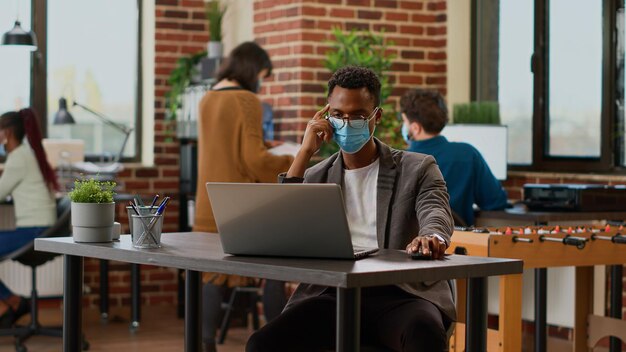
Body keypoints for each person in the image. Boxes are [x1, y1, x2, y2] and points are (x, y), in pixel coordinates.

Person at [246, 66, 455, 352]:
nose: (346, 123)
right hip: (333, 294)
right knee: (262, 344)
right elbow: (281, 228)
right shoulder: (318, 175)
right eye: (338, 115)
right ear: (326, 116)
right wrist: (304, 152)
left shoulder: (417, 167)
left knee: (425, 335)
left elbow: (435, 210)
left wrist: (434, 237)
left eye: (357, 116)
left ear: (376, 117)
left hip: (399, 294)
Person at [192, 41, 293, 352]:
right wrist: (293, 160)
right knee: (278, 267)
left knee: (211, 274)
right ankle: (279, 341)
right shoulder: (247, 99)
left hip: (209, 203)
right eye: (263, 74)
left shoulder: (208, 98)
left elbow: (228, 145)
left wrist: (266, 143)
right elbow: (254, 161)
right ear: (253, 69)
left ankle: (204, 344)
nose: (262, 81)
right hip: (241, 204)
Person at [400, 89, 508, 226]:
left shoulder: (400, 161)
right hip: (459, 242)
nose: (404, 126)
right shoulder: (468, 154)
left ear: (415, 128)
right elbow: (495, 201)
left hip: (412, 245)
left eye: (405, 121)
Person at [0, 109, 58, 327]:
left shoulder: (19, 158)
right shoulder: (26, 153)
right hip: (39, 227)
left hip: (35, 231)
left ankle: (10, 303)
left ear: (6, 133)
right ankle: (13, 302)